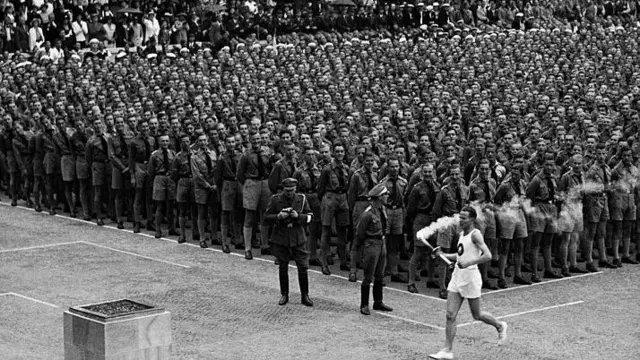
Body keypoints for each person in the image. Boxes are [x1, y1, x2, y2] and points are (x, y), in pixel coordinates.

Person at [429, 206, 507, 360]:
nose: (460, 220)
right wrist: (443, 255)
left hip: (471, 278)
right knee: (450, 315)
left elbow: (488, 255)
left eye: (464, 218)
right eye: (460, 217)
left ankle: (499, 325)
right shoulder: (461, 234)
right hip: (458, 277)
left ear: (472, 219)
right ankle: (447, 350)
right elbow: (459, 256)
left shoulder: (475, 234)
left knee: (477, 315)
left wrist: (469, 262)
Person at [264, 178, 314, 307]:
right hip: (281, 238)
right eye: (287, 190)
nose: (289, 193)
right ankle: (284, 294)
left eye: (292, 190)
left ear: (296, 189)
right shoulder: (275, 200)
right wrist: (278, 217)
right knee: (283, 267)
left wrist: (299, 217)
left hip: (298, 238)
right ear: (283, 189)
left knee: (303, 267)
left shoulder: (302, 199)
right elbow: (266, 218)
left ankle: (305, 295)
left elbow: (310, 217)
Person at [356, 182, 393, 315]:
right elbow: (359, 233)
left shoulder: (382, 209)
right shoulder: (368, 213)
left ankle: (378, 301)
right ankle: (364, 304)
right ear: (379, 197)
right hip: (371, 244)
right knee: (368, 276)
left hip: (381, 243)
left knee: (380, 274)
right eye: (385, 194)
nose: (387, 196)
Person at [149, 134, 177, 239]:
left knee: (171, 205)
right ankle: (158, 229)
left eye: (166, 141)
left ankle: (172, 228)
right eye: (163, 141)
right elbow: (151, 171)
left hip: (170, 179)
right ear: (159, 142)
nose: (165, 143)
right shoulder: (154, 155)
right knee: (160, 206)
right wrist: (153, 182)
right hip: (159, 178)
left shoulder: (173, 153)